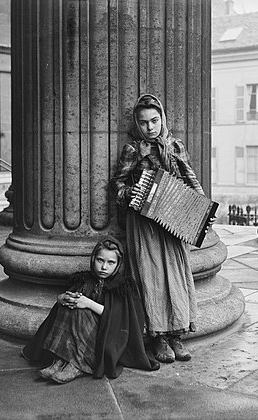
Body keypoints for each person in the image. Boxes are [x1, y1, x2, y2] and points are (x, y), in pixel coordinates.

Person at [111, 94, 207, 364]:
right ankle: (159, 338)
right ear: (137, 125)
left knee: (176, 274)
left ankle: (177, 333)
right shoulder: (133, 150)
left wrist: (201, 212)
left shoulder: (175, 146)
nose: (150, 127)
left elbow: (190, 178)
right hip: (143, 220)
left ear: (162, 119)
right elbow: (116, 185)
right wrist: (133, 192)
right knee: (150, 275)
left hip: (172, 218)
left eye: (154, 120)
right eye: (143, 123)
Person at [21, 235, 159, 383]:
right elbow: (69, 303)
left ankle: (77, 365)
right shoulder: (85, 280)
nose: (104, 267)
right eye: (100, 260)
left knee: (80, 313)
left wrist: (88, 303)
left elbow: (121, 321)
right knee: (67, 308)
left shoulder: (123, 287)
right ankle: (59, 361)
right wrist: (62, 299)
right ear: (93, 259)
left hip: (106, 337)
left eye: (111, 262)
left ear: (118, 264)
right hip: (81, 332)